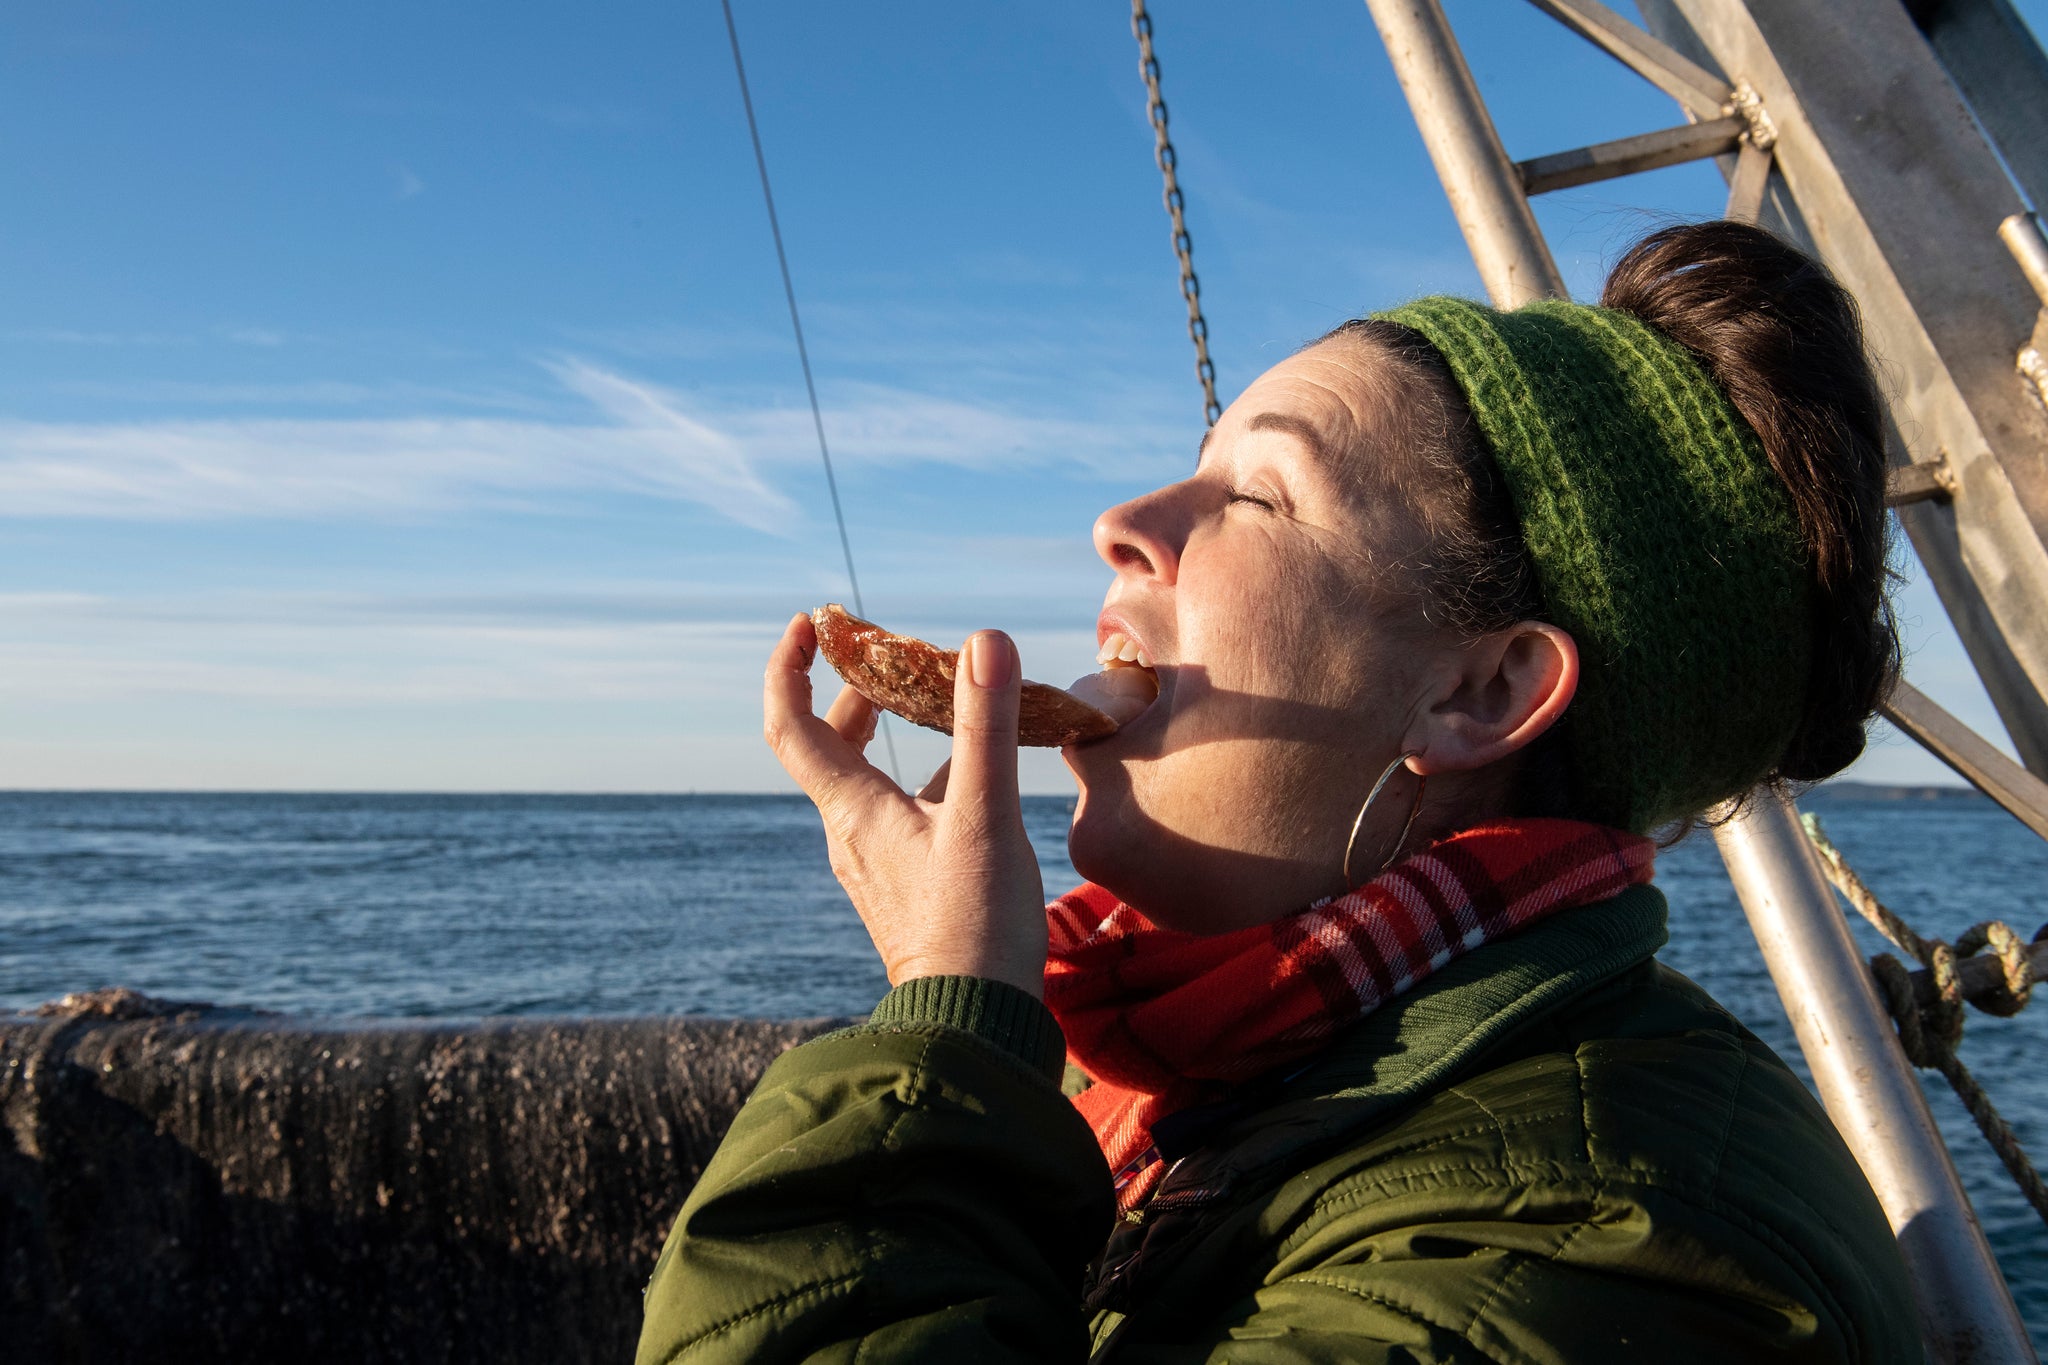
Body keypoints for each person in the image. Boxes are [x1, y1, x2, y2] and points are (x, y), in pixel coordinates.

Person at [635, 221, 1920, 1363]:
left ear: (1479, 694)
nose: (1122, 519)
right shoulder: (1177, 1065)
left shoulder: (1603, 1237)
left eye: (1256, 492)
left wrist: (946, 1028)